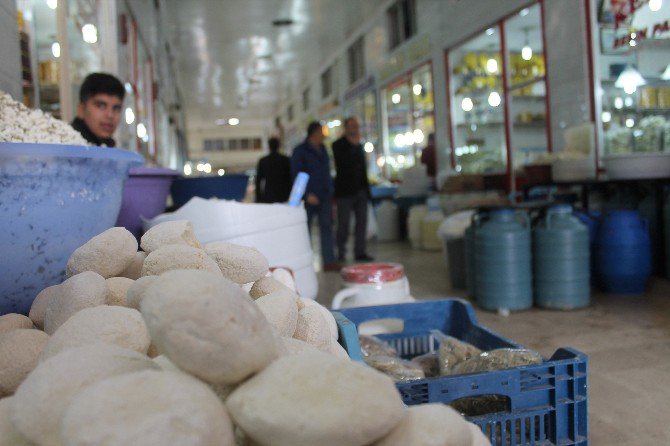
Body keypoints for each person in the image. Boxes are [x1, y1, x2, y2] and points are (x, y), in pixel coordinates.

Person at [291, 121, 340, 272]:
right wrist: (306, 195)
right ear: (313, 133)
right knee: (305, 229)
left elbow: (326, 171)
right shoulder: (300, 151)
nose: (323, 135)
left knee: (327, 227)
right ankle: (303, 263)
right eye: (321, 131)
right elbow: (296, 174)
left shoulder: (323, 149)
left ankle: (329, 261)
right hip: (309, 197)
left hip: (324, 195)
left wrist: (330, 190)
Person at [332, 117, 373, 262]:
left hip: (361, 190)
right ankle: (341, 252)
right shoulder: (338, 145)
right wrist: (353, 145)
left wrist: (367, 191)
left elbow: (362, 168)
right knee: (343, 224)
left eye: (357, 126)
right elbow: (344, 165)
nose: (355, 129)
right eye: (352, 126)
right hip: (345, 192)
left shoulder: (360, 144)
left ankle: (360, 251)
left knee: (362, 222)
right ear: (346, 128)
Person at [71, 73, 125, 147]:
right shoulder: (68, 146)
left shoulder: (106, 147)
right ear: (81, 110)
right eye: (101, 106)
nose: (110, 115)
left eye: (116, 108)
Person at [255, 137, 292, 203]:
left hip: (268, 195)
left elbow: (258, 180)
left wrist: (259, 198)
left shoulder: (263, 161)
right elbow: (289, 178)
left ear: (269, 146)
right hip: (283, 194)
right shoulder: (285, 160)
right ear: (278, 146)